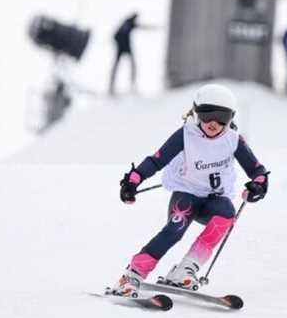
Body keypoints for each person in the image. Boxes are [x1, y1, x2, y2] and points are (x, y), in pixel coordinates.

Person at [111, 84, 269, 297]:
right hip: (186, 195)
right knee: (175, 230)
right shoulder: (186, 135)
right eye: (207, 116)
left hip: (213, 200)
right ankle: (133, 275)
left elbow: (257, 170)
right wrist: (133, 181)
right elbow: (156, 160)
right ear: (197, 114)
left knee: (227, 214)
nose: (214, 123)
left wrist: (258, 185)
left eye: (222, 118)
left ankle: (185, 269)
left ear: (230, 118)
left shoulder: (233, 139)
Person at [109, 13, 141, 96]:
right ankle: (112, 86)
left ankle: (132, 84)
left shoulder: (128, 23)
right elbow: (116, 35)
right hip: (123, 47)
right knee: (120, 66)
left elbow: (139, 26)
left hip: (125, 46)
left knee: (129, 65)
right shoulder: (128, 23)